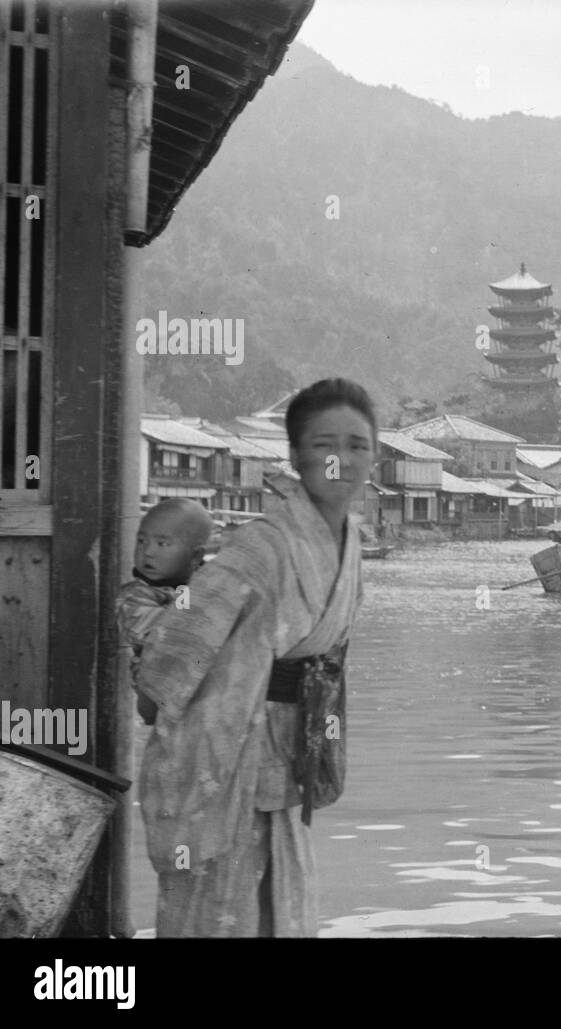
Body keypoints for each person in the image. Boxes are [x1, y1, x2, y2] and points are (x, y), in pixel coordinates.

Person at [137, 378, 376, 936]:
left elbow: (332, 662)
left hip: (285, 759)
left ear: (375, 456)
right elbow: (178, 646)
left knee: (281, 913)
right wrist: (173, 707)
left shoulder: (350, 543)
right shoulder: (260, 546)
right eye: (324, 444)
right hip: (228, 759)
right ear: (295, 456)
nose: (343, 459)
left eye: (358, 445)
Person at [117, 498, 214, 726]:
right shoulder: (134, 595)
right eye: (141, 541)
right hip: (157, 697)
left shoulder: (206, 583)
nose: (148, 552)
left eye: (162, 544)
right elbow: (166, 633)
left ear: (196, 556)